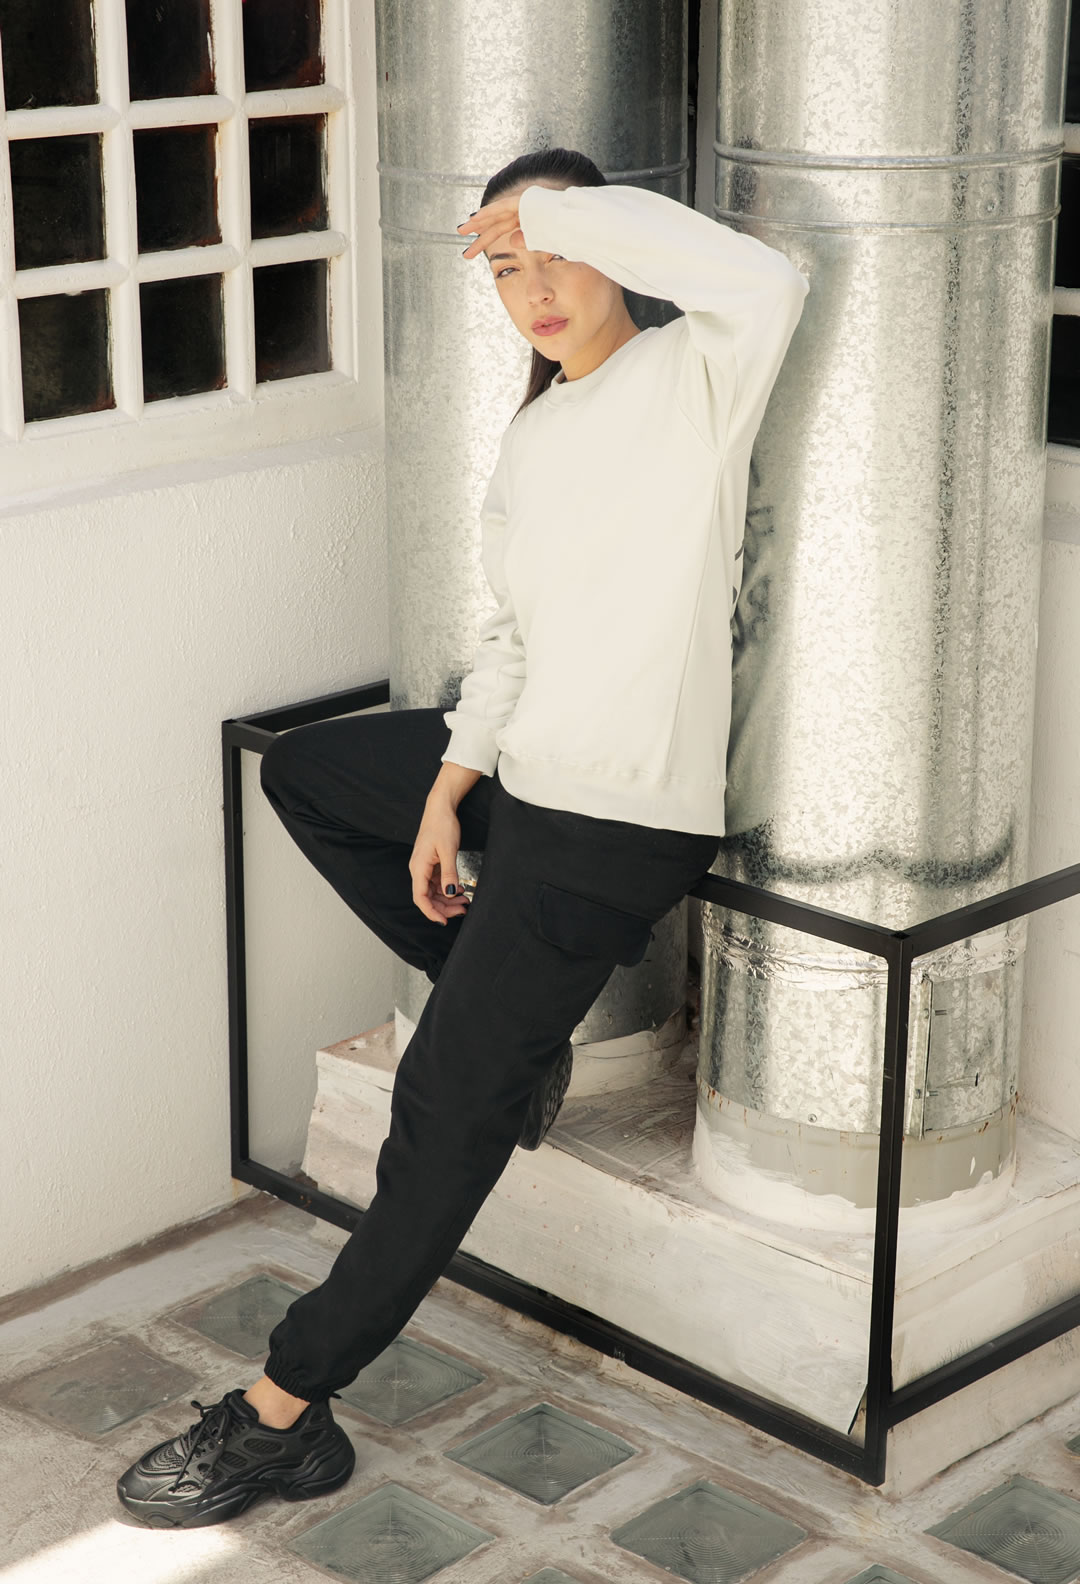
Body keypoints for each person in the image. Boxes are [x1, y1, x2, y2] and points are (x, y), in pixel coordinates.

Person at [115, 145, 809, 1529]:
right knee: (314, 776)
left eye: (556, 255)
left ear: (614, 247)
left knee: (440, 1108)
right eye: (506, 270)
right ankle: (508, 1023)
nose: (534, 288)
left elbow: (766, 275)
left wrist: (546, 207)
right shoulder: (538, 437)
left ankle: (286, 1410)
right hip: (528, 775)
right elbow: (516, 639)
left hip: (614, 818)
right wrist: (447, 784)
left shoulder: (699, 375)